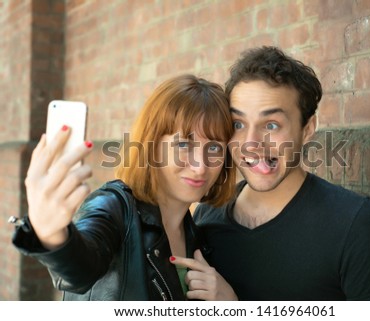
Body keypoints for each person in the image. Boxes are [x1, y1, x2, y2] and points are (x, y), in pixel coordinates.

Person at [174, 46, 370, 300]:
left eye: (271, 125)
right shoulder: (207, 215)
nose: (251, 142)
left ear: (307, 129)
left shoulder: (353, 223)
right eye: (238, 124)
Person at [11, 74, 237, 301]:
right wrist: (51, 233)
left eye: (215, 148)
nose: (200, 166)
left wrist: (229, 306)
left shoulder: (198, 236)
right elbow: (79, 270)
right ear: (151, 145)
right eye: (183, 144)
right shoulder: (114, 207)